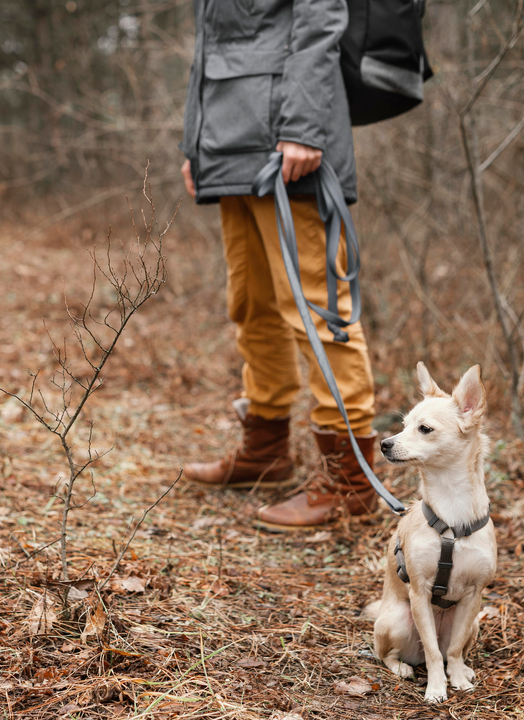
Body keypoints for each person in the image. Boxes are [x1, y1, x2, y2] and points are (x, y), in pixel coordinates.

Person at [179, 0, 380, 532]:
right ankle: (265, 451)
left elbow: (320, 23)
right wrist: (194, 143)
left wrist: (305, 126)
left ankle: (351, 481)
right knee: (251, 303)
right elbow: (210, 46)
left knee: (318, 310)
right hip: (227, 145)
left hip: (287, 142)